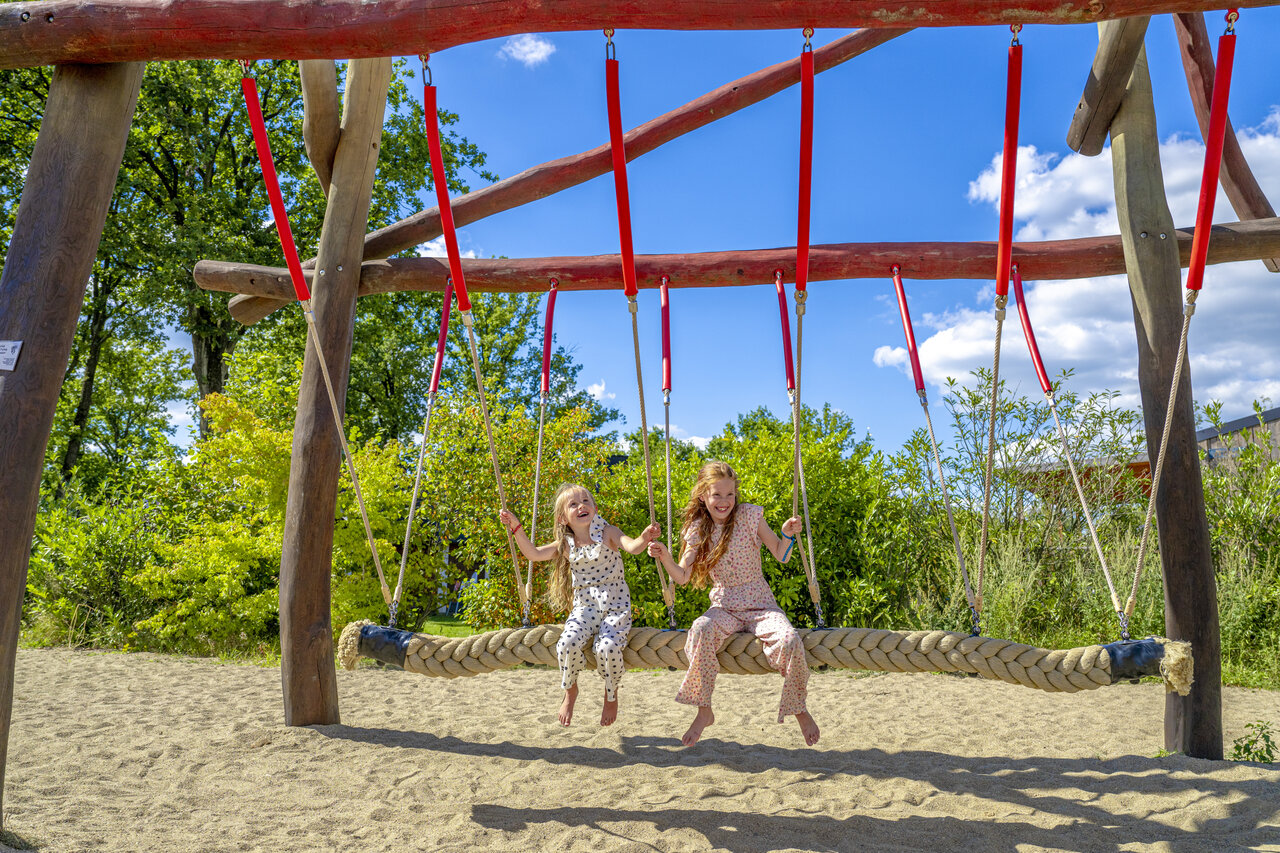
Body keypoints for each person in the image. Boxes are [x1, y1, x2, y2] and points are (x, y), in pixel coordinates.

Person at [648, 460, 820, 747]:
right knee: (701, 628)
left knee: (790, 640)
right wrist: (664, 556)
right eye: (717, 494)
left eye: (730, 494)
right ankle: (704, 709)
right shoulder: (698, 528)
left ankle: (798, 707)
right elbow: (682, 577)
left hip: (760, 605)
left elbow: (782, 555)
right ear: (703, 495)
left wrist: (788, 534)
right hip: (724, 605)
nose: (724, 501)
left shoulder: (750, 516)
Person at [501, 483, 659, 727]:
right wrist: (516, 528)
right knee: (566, 643)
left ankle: (611, 693)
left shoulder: (608, 532)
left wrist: (645, 537)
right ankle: (570, 690)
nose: (581, 506)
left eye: (585, 501)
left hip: (615, 606)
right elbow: (533, 554)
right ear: (563, 518)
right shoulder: (565, 544)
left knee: (607, 648)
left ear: (594, 508)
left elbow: (633, 547)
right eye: (573, 504)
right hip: (585, 607)